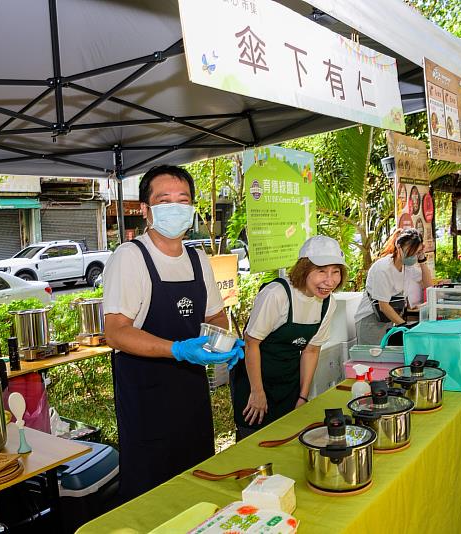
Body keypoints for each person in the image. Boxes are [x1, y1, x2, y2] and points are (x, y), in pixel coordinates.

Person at [103, 165, 244, 501]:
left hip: (191, 394)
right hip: (146, 399)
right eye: (164, 200)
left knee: (195, 483)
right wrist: (179, 349)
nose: (176, 207)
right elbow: (116, 332)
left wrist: (218, 343)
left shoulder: (197, 258)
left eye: (183, 200)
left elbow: (216, 316)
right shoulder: (131, 256)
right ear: (146, 210)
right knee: (153, 494)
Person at [231, 236, 346, 440]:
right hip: (255, 379)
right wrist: (257, 392)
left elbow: (311, 350)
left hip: (289, 382)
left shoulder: (328, 304)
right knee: (254, 443)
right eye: (321, 271)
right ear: (304, 269)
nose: (330, 281)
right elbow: (251, 344)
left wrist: (303, 395)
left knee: (287, 440)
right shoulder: (277, 294)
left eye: (335, 272)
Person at [353, 228, 432, 345]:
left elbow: (428, 285)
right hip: (371, 320)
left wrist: (422, 259)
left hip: (388, 319)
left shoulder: (407, 267)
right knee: (374, 359)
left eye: (417, 252)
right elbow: (383, 306)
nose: (413, 256)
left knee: (387, 359)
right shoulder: (383, 269)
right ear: (399, 247)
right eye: (411, 251)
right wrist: (406, 327)